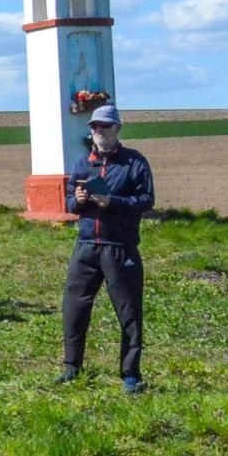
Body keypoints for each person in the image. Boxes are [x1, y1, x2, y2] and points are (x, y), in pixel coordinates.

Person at [56, 104, 155, 394]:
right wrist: (79, 198)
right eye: (94, 127)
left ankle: (130, 374)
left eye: (105, 126)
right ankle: (72, 367)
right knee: (74, 308)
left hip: (119, 248)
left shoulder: (135, 163)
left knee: (129, 312)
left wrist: (113, 202)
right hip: (86, 247)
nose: (99, 131)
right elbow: (71, 206)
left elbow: (146, 200)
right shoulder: (81, 164)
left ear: (118, 129)